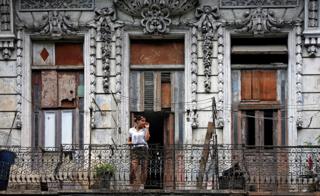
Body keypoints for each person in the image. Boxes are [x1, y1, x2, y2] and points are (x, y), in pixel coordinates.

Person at [128, 115, 150, 190]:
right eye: (142, 120)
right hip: (135, 149)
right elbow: (129, 140)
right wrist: (130, 143)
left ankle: (142, 184)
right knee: (133, 167)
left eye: (144, 121)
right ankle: (131, 183)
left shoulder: (144, 130)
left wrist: (147, 128)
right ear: (137, 121)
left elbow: (147, 139)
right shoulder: (131, 130)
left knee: (144, 167)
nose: (144, 122)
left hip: (144, 148)